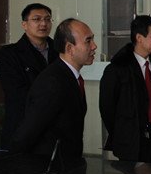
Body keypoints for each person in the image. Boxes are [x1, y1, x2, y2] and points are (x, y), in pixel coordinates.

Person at [10, 18, 97, 165]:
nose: (94, 46)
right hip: (49, 168)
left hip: (67, 165)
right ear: (69, 48)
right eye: (88, 41)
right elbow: (28, 132)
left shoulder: (70, 76)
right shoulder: (53, 82)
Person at [100, 15, 151, 165]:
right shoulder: (118, 69)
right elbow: (107, 108)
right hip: (135, 140)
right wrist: (123, 132)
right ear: (139, 38)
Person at [0, 3, 59, 150]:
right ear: (24, 24)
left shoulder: (60, 50)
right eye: (37, 19)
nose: (43, 24)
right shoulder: (10, 54)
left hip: (55, 127)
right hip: (24, 127)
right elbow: (16, 93)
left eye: (47, 19)